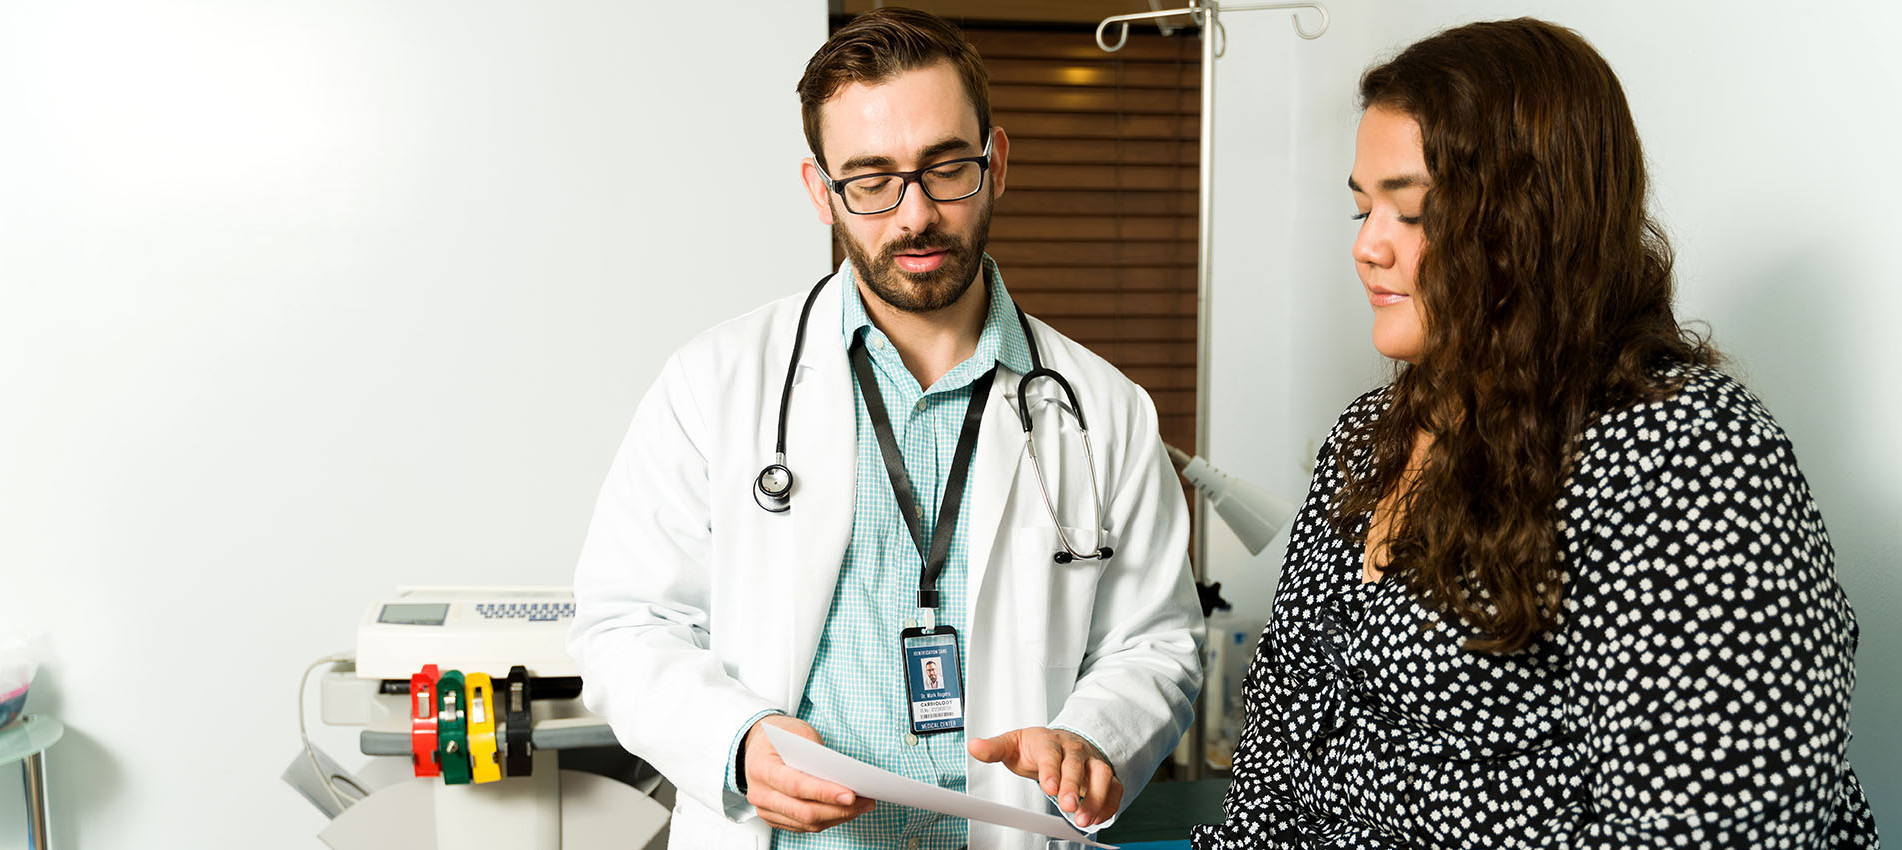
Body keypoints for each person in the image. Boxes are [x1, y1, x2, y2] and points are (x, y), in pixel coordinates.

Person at [1193, 18, 1877, 849]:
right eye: (1360, 207)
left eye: (1412, 211)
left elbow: (1713, 830)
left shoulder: (1689, 460)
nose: (1367, 246)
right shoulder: (1366, 437)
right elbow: (1275, 752)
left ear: (1536, 222)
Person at [568, 9, 1203, 849]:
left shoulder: (1104, 408)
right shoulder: (712, 384)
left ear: (997, 162)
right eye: (870, 181)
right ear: (818, 191)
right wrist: (738, 742)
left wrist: (1092, 738)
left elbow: (1156, 643)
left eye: (946, 169)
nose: (914, 216)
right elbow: (625, 623)